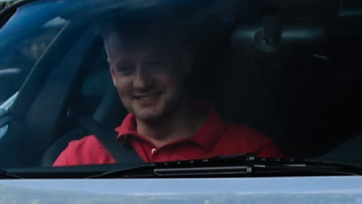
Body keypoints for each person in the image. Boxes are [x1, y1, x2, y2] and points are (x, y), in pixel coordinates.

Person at [51, 15, 281, 166]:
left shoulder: (252, 154)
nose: (141, 82)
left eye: (155, 64)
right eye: (126, 70)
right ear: (112, 74)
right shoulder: (78, 159)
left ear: (185, 60)